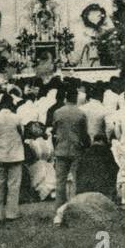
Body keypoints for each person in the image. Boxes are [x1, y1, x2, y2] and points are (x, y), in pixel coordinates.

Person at [50, 81, 90, 221]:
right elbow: (85, 134)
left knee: (60, 181)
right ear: (76, 99)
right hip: (76, 149)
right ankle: (73, 209)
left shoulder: (57, 112)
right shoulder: (81, 114)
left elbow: (54, 131)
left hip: (61, 149)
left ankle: (58, 210)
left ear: (66, 98)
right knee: (74, 180)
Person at [0, 95, 25, 221]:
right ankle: (11, 213)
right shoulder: (17, 118)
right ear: (11, 104)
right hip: (15, 155)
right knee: (13, 185)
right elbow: (22, 133)